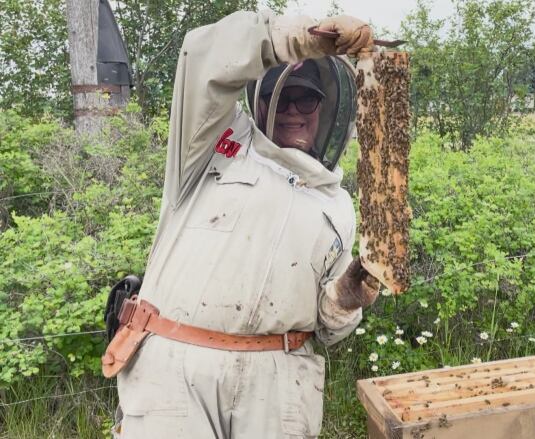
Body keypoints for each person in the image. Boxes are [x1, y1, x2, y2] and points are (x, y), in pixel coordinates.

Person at [104, 9, 379, 439]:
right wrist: (300, 37)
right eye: (280, 96)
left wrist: (345, 299)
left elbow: (325, 329)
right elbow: (202, 58)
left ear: (326, 110)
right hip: (175, 377)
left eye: (306, 99)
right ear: (259, 101)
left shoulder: (339, 205)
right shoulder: (214, 142)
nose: (293, 110)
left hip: (279, 387)